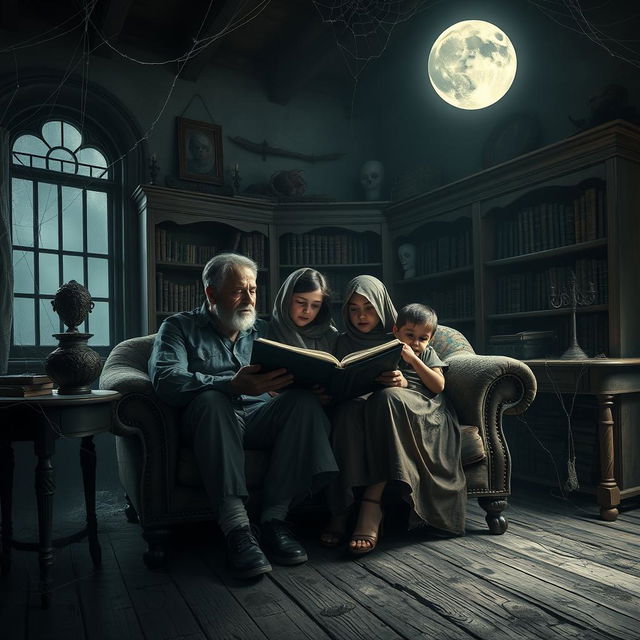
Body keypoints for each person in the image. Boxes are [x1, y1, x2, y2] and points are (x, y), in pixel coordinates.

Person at [148, 253, 338, 579]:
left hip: (258, 417)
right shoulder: (178, 327)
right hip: (211, 420)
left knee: (304, 404)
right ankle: (237, 529)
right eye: (239, 291)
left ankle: (275, 520)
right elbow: (165, 379)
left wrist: (310, 387)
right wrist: (229, 384)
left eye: (252, 289)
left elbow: (288, 377)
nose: (249, 299)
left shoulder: (262, 330)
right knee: (213, 399)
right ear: (211, 294)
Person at [321, 278, 466, 554]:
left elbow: (437, 385)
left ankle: (371, 506)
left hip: (413, 405)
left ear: (383, 309)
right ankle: (342, 507)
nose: (361, 316)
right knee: (348, 411)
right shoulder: (342, 342)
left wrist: (404, 379)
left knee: (386, 398)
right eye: (353, 309)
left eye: (369, 308)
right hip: (365, 403)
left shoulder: (405, 346)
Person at [268, 267, 338, 352]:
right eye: (300, 302)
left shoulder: (330, 335)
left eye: (315, 305)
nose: (307, 311)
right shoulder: (266, 332)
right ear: (286, 300)